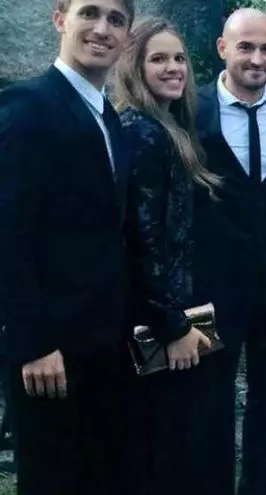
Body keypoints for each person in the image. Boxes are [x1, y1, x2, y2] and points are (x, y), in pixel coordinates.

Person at [0, 0, 133, 493]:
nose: (102, 28)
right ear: (60, 19)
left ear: (127, 35)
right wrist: (33, 342)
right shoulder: (27, 107)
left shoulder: (106, 116)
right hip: (49, 353)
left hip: (101, 344)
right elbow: (8, 232)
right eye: (89, 13)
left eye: (116, 20)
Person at [194, 8, 266, 494]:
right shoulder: (190, 109)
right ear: (223, 49)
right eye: (246, 47)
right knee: (210, 401)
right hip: (208, 287)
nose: (257, 59)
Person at [114, 18, 225, 495]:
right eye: (158, 59)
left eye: (179, 58)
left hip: (171, 313)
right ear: (134, 68)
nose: (173, 67)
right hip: (156, 324)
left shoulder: (169, 127)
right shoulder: (143, 133)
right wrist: (174, 327)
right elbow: (143, 241)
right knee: (158, 450)